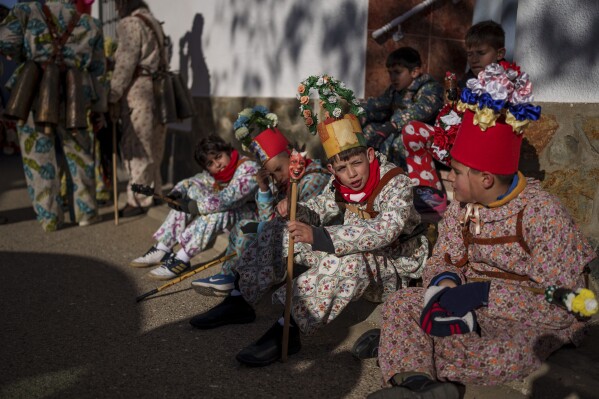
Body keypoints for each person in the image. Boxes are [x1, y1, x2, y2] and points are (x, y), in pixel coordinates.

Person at [370, 63, 597, 399]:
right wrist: (444, 283)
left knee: (506, 350)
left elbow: (561, 308)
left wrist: (485, 294)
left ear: (486, 180)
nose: (448, 177)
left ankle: (409, 352)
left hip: (522, 320)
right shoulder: (461, 207)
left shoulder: (542, 214)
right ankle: (417, 383)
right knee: (402, 302)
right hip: (464, 306)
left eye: (457, 172)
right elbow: (444, 257)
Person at [189, 75, 429, 367]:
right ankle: (240, 298)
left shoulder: (395, 181)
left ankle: (287, 329)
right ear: (332, 169)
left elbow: (385, 230)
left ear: (370, 154)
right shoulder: (339, 184)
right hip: (358, 252)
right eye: (342, 168)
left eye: (357, 164)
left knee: (350, 259)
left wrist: (322, 237)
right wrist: (296, 211)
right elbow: (319, 208)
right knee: (281, 230)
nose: (351, 174)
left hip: (394, 268)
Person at [191, 106, 330, 295]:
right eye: (273, 174)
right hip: (285, 230)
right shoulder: (284, 182)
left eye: (279, 169)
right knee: (243, 227)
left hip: (310, 236)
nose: (278, 177)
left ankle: (241, 282)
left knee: (250, 230)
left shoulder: (313, 177)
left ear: (291, 155)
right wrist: (264, 189)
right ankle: (231, 276)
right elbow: (269, 219)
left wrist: (283, 210)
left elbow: (298, 218)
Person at [0, 0, 105, 231]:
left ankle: (50, 218)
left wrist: (26, 56)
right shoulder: (91, 24)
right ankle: (86, 213)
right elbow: (98, 71)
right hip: (77, 91)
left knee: (39, 158)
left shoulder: (25, 11)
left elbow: (5, 42)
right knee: (80, 153)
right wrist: (100, 110)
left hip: (35, 88)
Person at [401, 21, 507, 218]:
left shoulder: (504, 84)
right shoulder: (464, 81)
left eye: (481, 53)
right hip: (455, 146)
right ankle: (429, 191)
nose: (474, 59)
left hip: (481, 152)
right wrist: (450, 105)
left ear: (499, 54)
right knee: (412, 130)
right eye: (470, 54)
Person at [130, 134, 259, 280]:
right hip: (234, 214)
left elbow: (229, 199)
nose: (217, 164)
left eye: (218, 156)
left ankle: (182, 258)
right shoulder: (216, 175)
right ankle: (163, 247)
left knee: (216, 212)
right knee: (188, 194)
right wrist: (176, 194)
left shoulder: (249, 168)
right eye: (210, 163)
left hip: (255, 218)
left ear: (227, 150)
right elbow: (195, 182)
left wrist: (195, 206)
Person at [109, 0, 166, 217]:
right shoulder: (153, 22)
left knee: (138, 147)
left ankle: (138, 198)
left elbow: (125, 63)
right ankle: (155, 191)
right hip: (160, 90)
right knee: (154, 145)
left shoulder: (130, 23)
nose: (116, 9)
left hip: (139, 92)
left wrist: (113, 94)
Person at [360, 47, 443, 171]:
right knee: (368, 130)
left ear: (414, 72)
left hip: (426, 140)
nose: (392, 77)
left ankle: (402, 178)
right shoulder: (395, 90)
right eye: (390, 73)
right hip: (398, 130)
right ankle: (370, 170)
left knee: (399, 140)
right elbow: (379, 105)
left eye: (397, 72)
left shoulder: (431, 88)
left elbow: (420, 110)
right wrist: (357, 111)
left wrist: (393, 125)